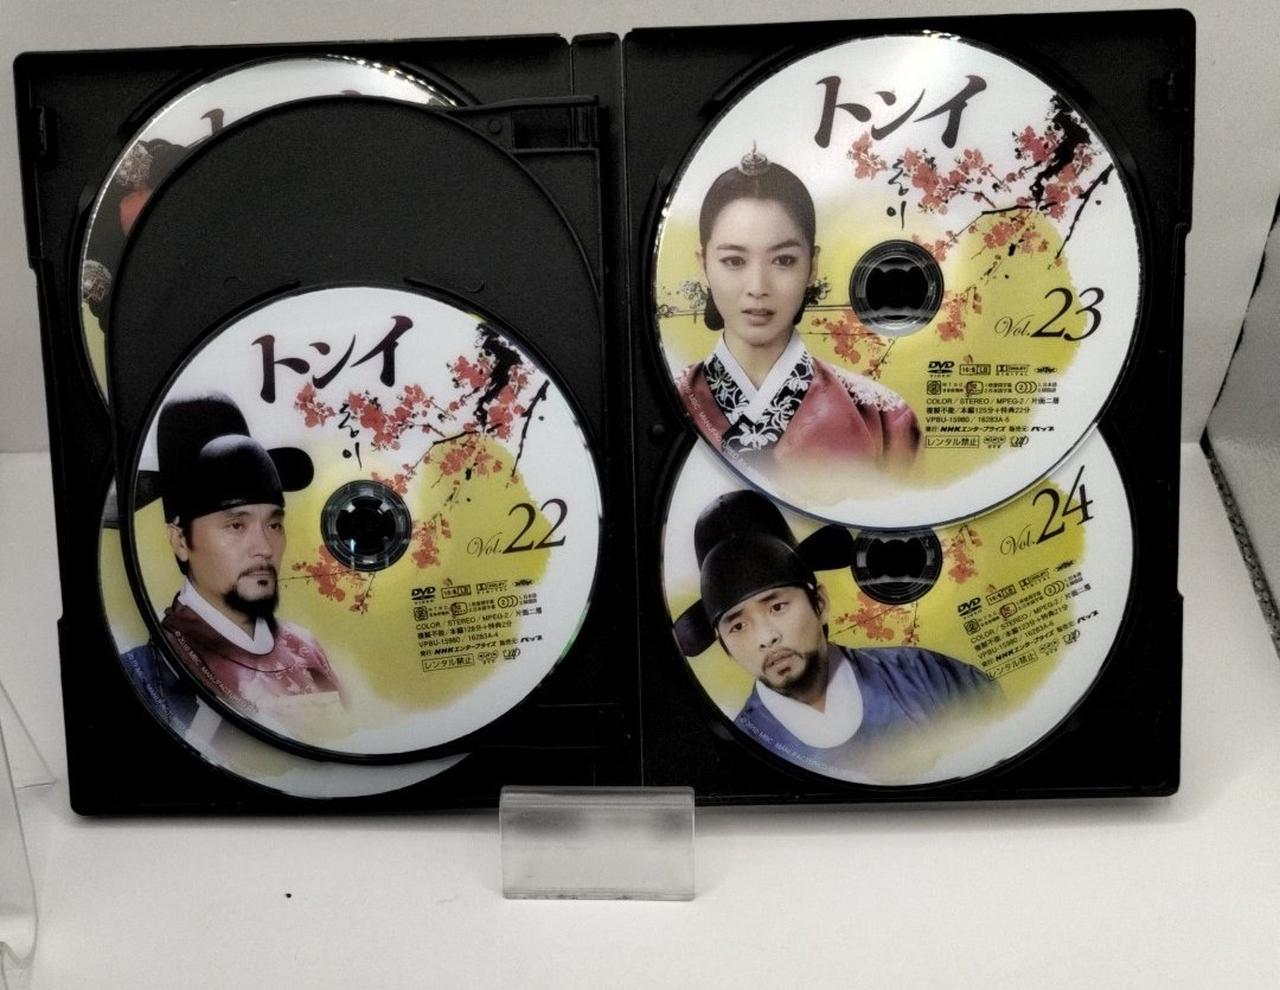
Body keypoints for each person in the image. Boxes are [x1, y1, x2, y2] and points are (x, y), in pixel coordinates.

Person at [673, 489, 997, 779]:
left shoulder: (931, 678)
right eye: (738, 626)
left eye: (777, 607)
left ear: (820, 604)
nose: (766, 638)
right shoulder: (740, 752)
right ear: (725, 648)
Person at [677, 147, 921, 468]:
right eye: (734, 261)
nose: (758, 287)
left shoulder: (884, 419)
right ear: (703, 266)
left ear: (812, 266)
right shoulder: (671, 401)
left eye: (783, 260)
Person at [121, 393, 344, 726]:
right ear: (180, 541)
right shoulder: (144, 674)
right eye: (236, 525)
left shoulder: (306, 649)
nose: (264, 548)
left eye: (274, 524)